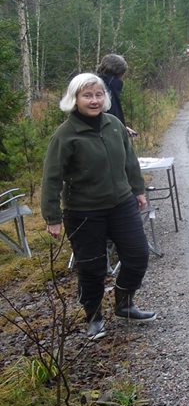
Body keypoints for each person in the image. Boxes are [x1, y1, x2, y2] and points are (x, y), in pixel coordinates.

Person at [41, 73, 156, 340]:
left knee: (138, 256)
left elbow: (129, 161)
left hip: (121, 203)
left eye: (98, 95)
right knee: (91, 268)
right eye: (87, 95)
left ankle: (124, 304)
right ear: (75, 99)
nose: (94, 100)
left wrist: (137, 190)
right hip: (84, 211)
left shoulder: (114, 125)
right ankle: (93, 318)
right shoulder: (66, 135)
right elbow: (51, 177)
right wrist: (52, 216)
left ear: (105, 98)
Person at [96, 53, 137, 137]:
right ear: (120, 73)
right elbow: (104, 120)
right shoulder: (106, 89)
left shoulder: (102, 84)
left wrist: (122, 127)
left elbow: (111, 118)